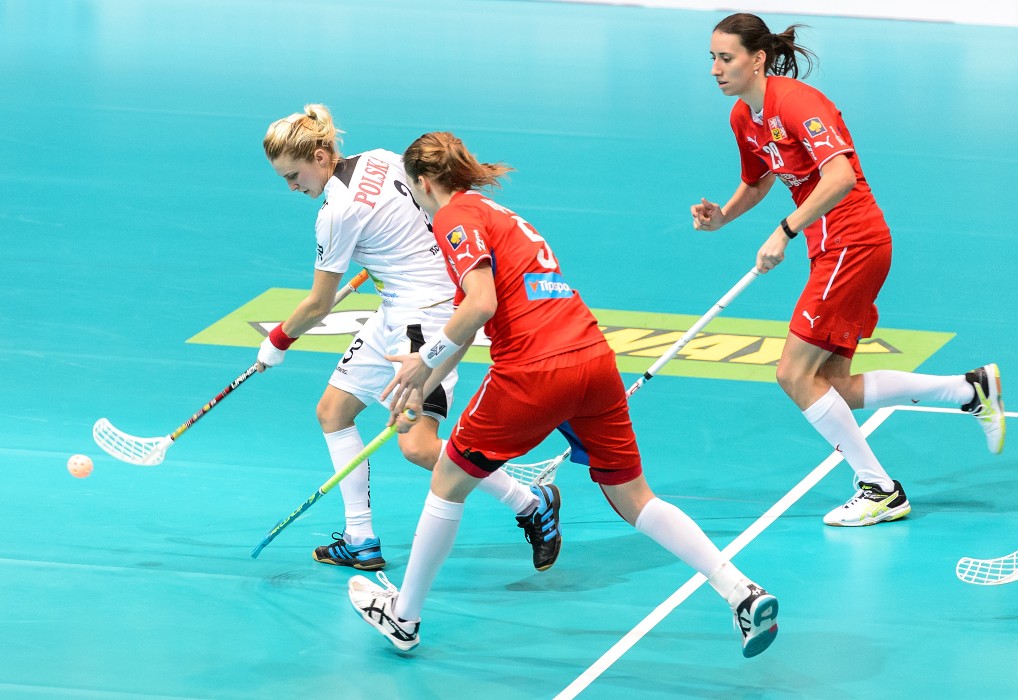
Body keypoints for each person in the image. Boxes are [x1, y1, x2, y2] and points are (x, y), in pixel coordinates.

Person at [346, 132, 779, 658]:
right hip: (592, 359)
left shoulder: (452, 218)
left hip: (532, 370)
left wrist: (423, 359)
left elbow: (479, 306)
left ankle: (405, 617)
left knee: (448, 479)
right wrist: (424, 382)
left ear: (424, 181)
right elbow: (469, 322)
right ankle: (740, 590)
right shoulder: (496, 212)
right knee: (635, 498)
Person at [691, 13, 1006, 527]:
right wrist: (723, 217)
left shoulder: (797, 103)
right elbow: (760, 179)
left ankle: (879, 488)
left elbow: (839, 175)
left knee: (793, 374)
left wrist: (785, 230)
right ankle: (969, 390)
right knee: (831, 384)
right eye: (712, 58)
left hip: (852, 243)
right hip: (830, 248)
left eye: (726, 58)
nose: (716, 69)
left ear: (757, 60)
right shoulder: (743, 118)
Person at [256, 105, 560, 571]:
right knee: (333, 411)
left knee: (418, 445)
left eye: (293, 175)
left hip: (430, 318)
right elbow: (412, 213)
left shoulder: (335, 213)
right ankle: (360, 538)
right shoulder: (379, 157)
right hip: (397, 305)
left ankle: (531, 502)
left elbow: (319, 303)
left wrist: (277, 342)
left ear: (320, 156)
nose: (292, 187)